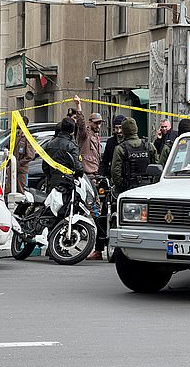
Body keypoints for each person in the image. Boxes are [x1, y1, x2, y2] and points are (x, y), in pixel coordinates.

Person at [87, 114, 125, 261]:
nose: (118, 130)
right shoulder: (110, 143)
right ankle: (98, 249)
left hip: (125, 185)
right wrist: (101, 177)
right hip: (111, 184)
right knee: (103, 215)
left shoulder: (131, 143)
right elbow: (105, 162)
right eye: (115, 128)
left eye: (120, 127)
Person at [111, 117, 158, 194]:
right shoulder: (149, 146)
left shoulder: (120, 149)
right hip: (148, 188)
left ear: (123, 131)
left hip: (128, 189)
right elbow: (157, 166)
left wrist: (121, 188)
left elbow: (115, 173)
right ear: (136, 129)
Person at [42, 117, 83, 192]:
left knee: (52, 202)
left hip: (53, 181)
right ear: (72, 131)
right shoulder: (71, 146)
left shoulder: (49, 144)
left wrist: (51, 176)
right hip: (68, 184)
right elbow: (78, 168)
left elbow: (45, 166)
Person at [72, 95, 102, 178]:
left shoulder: (97, 136)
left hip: (95, 174)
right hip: (86, 175)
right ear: (90, 122)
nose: (98, 126)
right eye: (96, 123)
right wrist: (78, 105)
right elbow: (81, 123)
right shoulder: (85, 134)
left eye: (99, 123)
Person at [6, 115, 35, 193]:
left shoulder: (27, 137)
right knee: (9, 190)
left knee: (20, 191)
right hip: (12, 168)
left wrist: (19, 163)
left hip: (21, 169)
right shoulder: (15, 135)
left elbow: (30, 155)